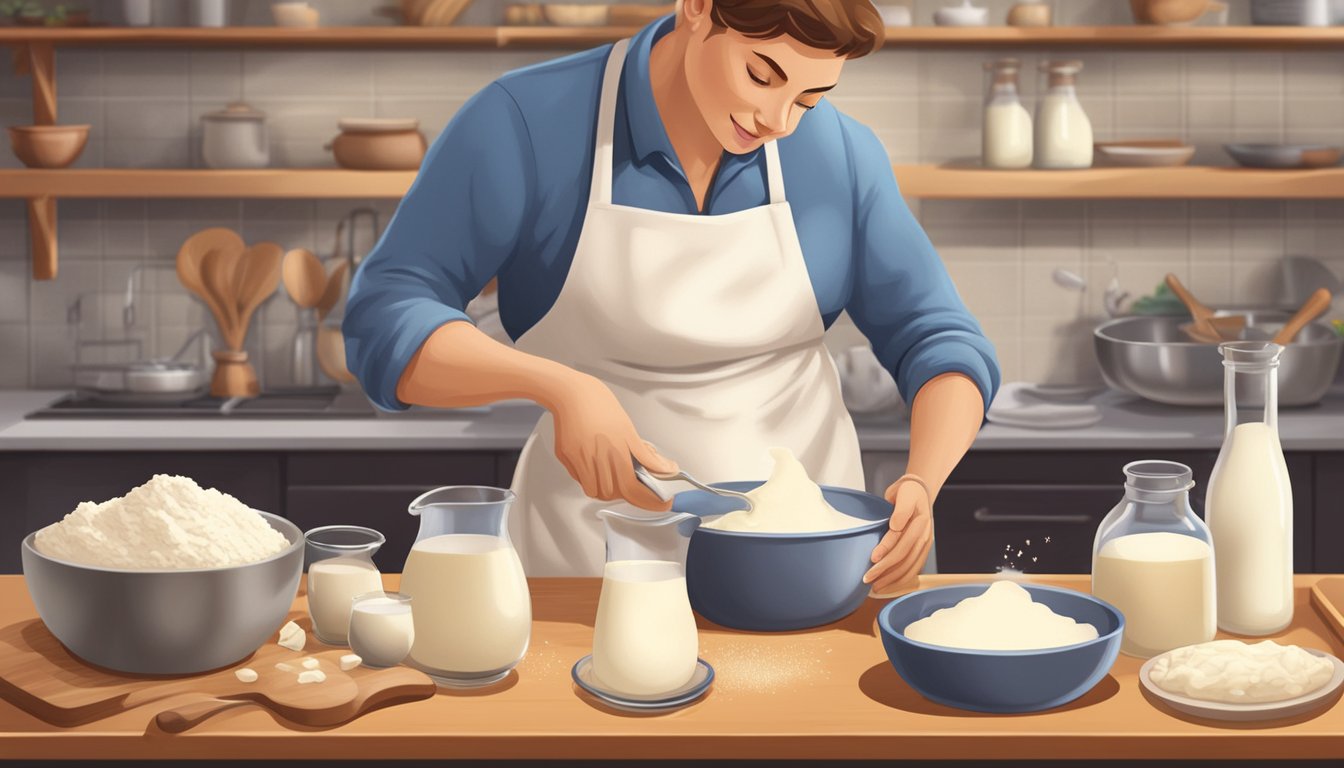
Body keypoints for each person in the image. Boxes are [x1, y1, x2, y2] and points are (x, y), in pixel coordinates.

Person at [343, 0, 1000, 592]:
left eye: (810, 98)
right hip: (587, 570)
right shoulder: (527, 124)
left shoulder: (841, 156)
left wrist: (923, 480)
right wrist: (560, 387)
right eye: (763, 75)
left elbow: (939, 336)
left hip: (804, 567)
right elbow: (385, 320)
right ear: (697, 8)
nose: (778, 121)